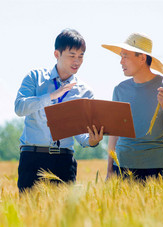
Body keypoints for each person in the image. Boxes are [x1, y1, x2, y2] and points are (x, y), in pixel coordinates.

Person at [15, 29, 104, 192]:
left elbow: (82, 134)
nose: (77, 61)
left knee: (63, 216)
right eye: (72, 55)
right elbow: (20, 108)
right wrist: (51, 96)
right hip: (32, 158)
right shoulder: (35, 78)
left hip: (64, 161)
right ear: (57, 54)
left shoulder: (85, 91)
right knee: (29, 215)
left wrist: (92, 141)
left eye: (81, 56)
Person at [102, 33, 163, 181]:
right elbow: (114, 134)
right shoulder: (119, 90)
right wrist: (109, 169)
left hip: (159, 170)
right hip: (122, 168)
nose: (121, 62)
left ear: (142, 58)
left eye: (125, 56)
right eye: (120, 56)